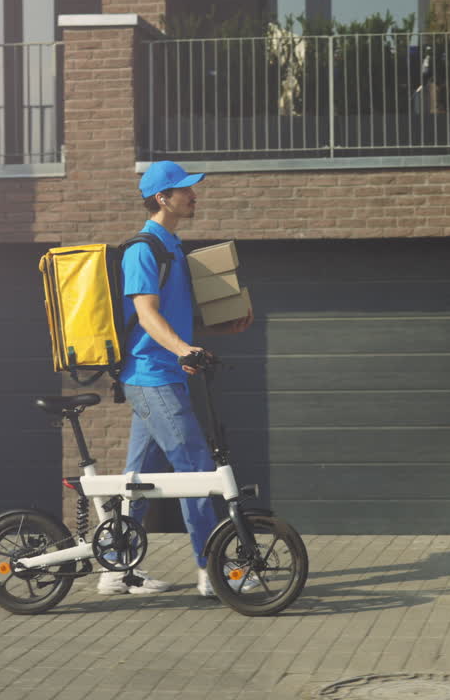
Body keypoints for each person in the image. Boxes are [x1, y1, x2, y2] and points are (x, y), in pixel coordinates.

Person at [96, 160, 253, 597]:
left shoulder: (174, 249)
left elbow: (175, 319)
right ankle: (213, 569)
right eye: (184, 190)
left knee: (137, 480)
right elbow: (146, 313)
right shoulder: (143, 250)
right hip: (151, 377)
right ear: (162, 198)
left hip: (165, 375)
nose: (193, 194)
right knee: (197, 471)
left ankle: (115, 566)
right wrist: (183, 350)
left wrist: (219, 330)